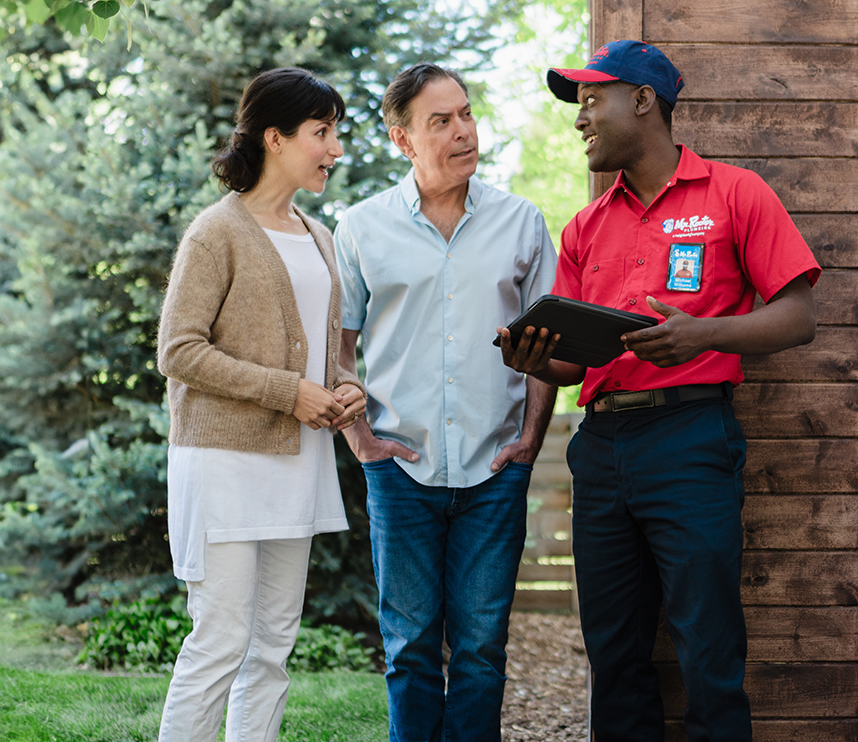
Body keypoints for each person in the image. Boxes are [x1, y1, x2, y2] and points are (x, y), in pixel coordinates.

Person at [499, 40, 820, 742]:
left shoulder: (736, 194)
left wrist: (703, 336)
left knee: (707, 647)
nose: (580, 119)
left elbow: (798, 315)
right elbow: (571, 368)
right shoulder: (584, 227)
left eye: (592, 101)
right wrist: (533, 357)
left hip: (691, 440)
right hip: (603, 448)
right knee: (613, 654)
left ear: (642, 101)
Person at [332, 62, 558, 742]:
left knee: (484, 654)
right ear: (402, 140)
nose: (465, 131)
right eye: (442, 121)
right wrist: (363, 443)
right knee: (409, 652)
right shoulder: (361, 228)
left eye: (466, 113)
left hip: (495, 471)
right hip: (401, 472)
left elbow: (548, 343)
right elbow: (338, 352)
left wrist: (530, 442)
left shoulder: (521, 223)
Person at [155, 67, 368, 742]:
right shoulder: (215, 232)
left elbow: (330, 354)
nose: (334, 150)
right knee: (219, 641)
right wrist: (289, 392)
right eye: (322, 133)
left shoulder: (319, 236)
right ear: (275, 138)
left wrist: (345, 387)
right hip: (222, 463)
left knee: (272, 647)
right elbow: (179, 350)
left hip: (294, 463)